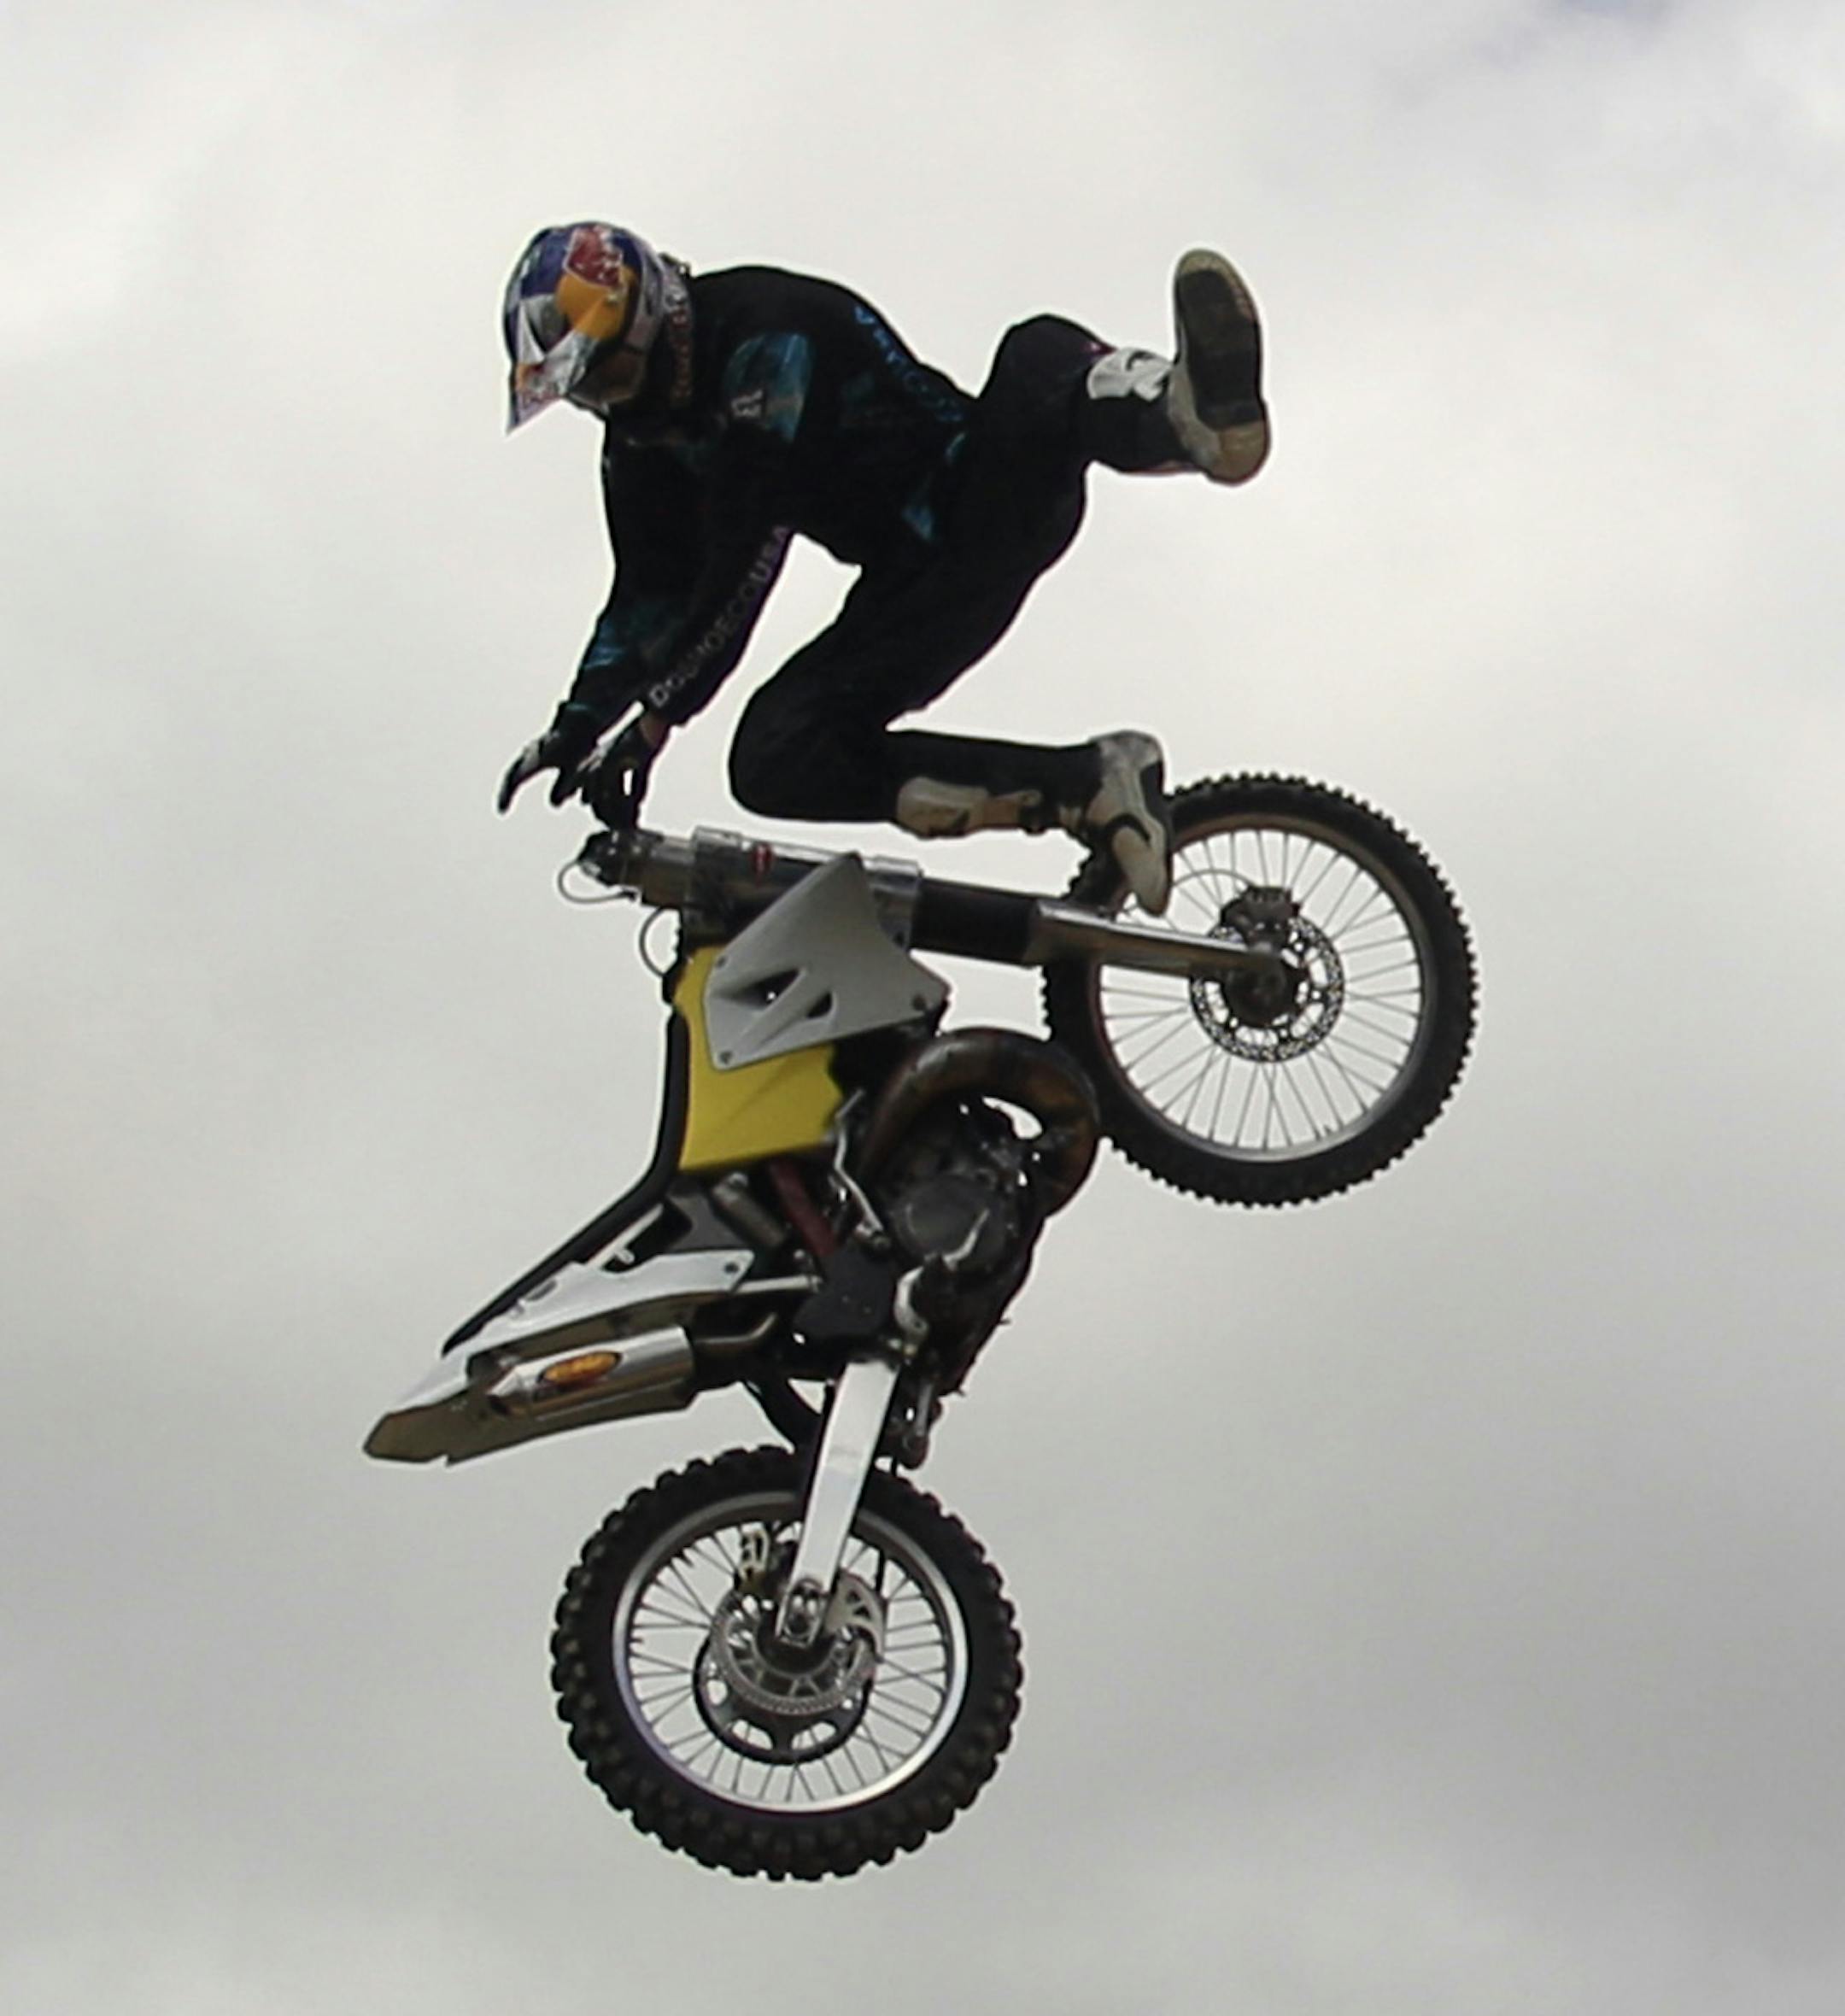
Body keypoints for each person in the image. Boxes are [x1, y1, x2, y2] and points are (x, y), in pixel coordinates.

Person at [495, 223, 1270, 914]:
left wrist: (658, 716)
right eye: (586, 391)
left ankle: (1183, 410)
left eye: (609, 371)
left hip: (980, 492)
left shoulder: (766, 333)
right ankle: (1089, 785)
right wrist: (577, 727)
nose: (608, 401)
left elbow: (745, 550)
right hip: (914, 591)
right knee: (772, 755)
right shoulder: (639, 443)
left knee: (1035, 352)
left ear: (652, 319)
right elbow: (649, 593)